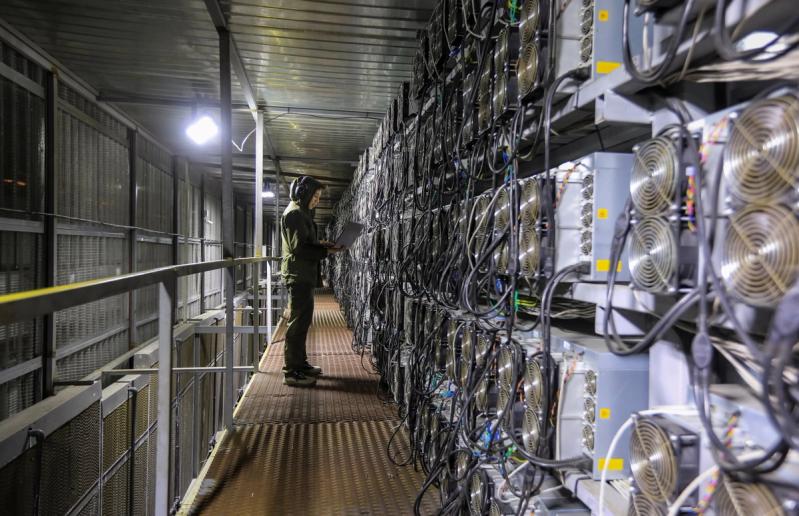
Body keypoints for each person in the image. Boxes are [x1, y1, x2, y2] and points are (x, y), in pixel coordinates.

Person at [280, 176, 341, 387]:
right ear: (303, 193)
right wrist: (326, 251)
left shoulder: (301, 212)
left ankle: (300, 364)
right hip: (298, 275)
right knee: (297, 324)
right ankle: (291, 372)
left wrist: (322, 244)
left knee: (303, 322)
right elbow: (299, 249)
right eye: (315, 196)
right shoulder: (295, 214)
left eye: (318, 197)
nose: (317, 200)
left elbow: (305, 242)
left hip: (303, 274)